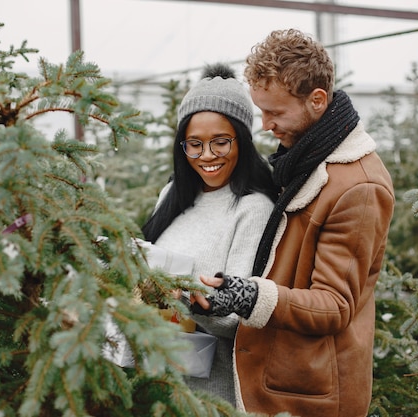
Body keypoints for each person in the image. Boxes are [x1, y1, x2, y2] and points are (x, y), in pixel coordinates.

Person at [190, 29, 395, 416]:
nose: (265, 125)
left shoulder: (358, 187)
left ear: (317, 100)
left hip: (308, 391)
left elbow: (334, 305)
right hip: (273, 374)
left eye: (276, 112)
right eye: (260, 111)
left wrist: (250, 296)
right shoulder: (301, 161)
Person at [141, 63, 278, 406]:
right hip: (156, 385)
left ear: (242, 142)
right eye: (194, 144)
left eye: (220, 142)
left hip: (212, 398)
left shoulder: (253, 208)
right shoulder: (171, 195)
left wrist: (184, 291)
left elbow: (239, 320)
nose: (206, 156)